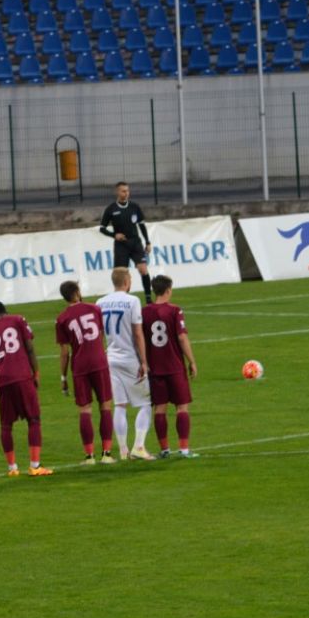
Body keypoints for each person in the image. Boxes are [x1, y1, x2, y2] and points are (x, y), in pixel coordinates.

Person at [0, 301, 54, 477]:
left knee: (6, 425)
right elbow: (29, 347)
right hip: (22, 376)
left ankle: (12, 468)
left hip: (2, 380)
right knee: (33, 419)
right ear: (6, 312)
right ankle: (35, 466)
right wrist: (36, 372)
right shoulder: (18, 320)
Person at [55, 280, 116, 464]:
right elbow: (101, 334)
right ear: (77, 292)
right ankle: (106, 454)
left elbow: (64, 352)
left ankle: (89, 456)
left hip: (80, 366)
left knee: (85, 410)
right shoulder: (94, 309)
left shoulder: (62, 318)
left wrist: (63, 377)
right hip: (99, 362)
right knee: (105, 405)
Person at [97, 268, 154, 460]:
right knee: (145, 403)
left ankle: (123, 451)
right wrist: (144, 361)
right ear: (127, 282)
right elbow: (137, 333)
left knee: (120, 405)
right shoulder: (133, 301)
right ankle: (139, 446)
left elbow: (99, 333)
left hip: (110, 359)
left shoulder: (100, 302)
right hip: (130, 359)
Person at [142, 275, 199, 459]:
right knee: (182, 407)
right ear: (168, 290)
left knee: (160, 409)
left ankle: (165, 449)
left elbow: (139, 338)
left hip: (154, 368)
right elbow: (182, 337)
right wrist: (192, 361)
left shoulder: (144, 312)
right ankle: (184, 449)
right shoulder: (175, 310)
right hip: (174, 367)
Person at [99, 181, 153, 304]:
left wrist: (147, 242)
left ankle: (148, 299)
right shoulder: (111, 209)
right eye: (123, 191)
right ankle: (123, 299)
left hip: (135, 243)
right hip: (121, 245)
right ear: (117, 192)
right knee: (121, 274)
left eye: (127, 191)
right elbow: (102, 228)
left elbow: (142, 225)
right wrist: (114, 235)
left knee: (143, 269)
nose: (126, 193)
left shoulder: (135, 207)